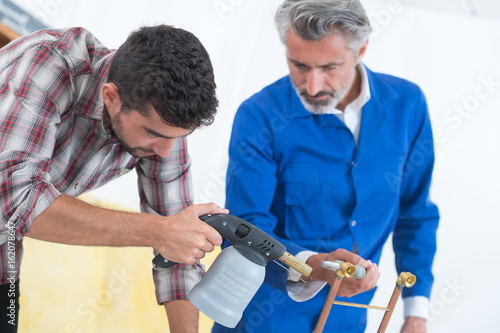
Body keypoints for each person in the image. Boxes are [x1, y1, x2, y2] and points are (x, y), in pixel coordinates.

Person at [214, 0, 439, 332]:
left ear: (361, 49)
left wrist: (416, 312)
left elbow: (414, 212)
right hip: (264, 318)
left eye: (329, 68)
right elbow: (245, 227)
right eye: (298, 65)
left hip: (351, 319)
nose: (312, 86)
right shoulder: (259, 116)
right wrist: (311, 267)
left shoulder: (407, 104)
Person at [0, 25, 228, 333]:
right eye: (153, 135)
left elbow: (178, 246)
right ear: (111, 97)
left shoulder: (163, 123)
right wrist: (160, 232)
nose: (165, 152)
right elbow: (14, 197)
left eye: (178, 138)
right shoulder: (50, 64)